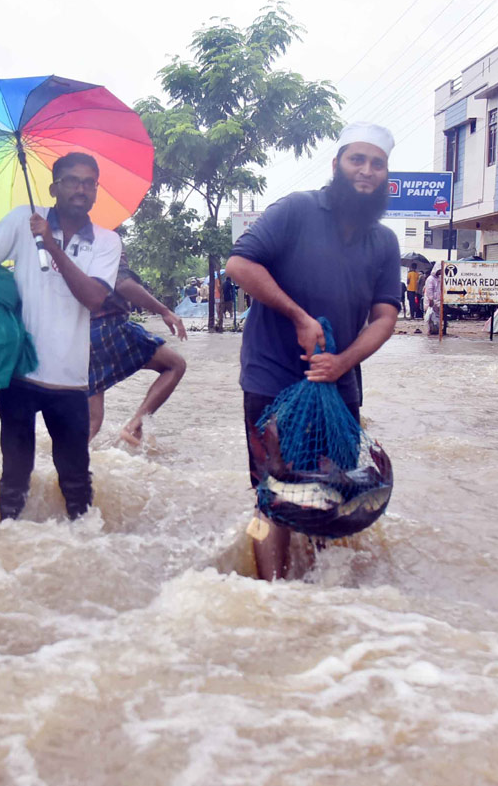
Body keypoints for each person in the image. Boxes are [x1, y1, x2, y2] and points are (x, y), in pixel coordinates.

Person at [225, 121, 401, 581]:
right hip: (272, 376)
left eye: (376, 164)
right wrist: (298, 316)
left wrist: (344, 361)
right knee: (273, 493)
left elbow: (385, 317)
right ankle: (273, 595)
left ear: (386, 175)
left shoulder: (383, 240)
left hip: (337, 384)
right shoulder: (297, 210)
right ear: (337, 165)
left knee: (333, 492)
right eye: (356, 160)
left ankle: (324, 595)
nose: (366, 171)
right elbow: (239, 263)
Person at [0, 152, 121, 521]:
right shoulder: (22, 220)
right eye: (72, 181)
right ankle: (7, 546)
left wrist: (51, 244)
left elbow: (92, 297)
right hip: (19, 375)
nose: (81, 189)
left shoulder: (107, 242)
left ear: (96, 192)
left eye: (90, 183)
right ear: (54, 187)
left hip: (70, 382)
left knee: (76, 481)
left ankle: (83, 553)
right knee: (13, 479)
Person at [87, 256, 188, 446]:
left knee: (93, 422)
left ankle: (67, 468)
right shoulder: (106, 241)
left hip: (78, 336)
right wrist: (164, 311)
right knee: (176, 365)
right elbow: (122, 284)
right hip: (109, 328)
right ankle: (135, 423)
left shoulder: (62, 245)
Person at [424, 261, 445, 336]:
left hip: (438, 300)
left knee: (437, 317)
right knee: (430, 317)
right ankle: (430, 331)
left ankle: (436, 331)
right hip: (431, 300)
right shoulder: (431, 279)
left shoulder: (439, 278)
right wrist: (431, 299)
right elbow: (429, 290)